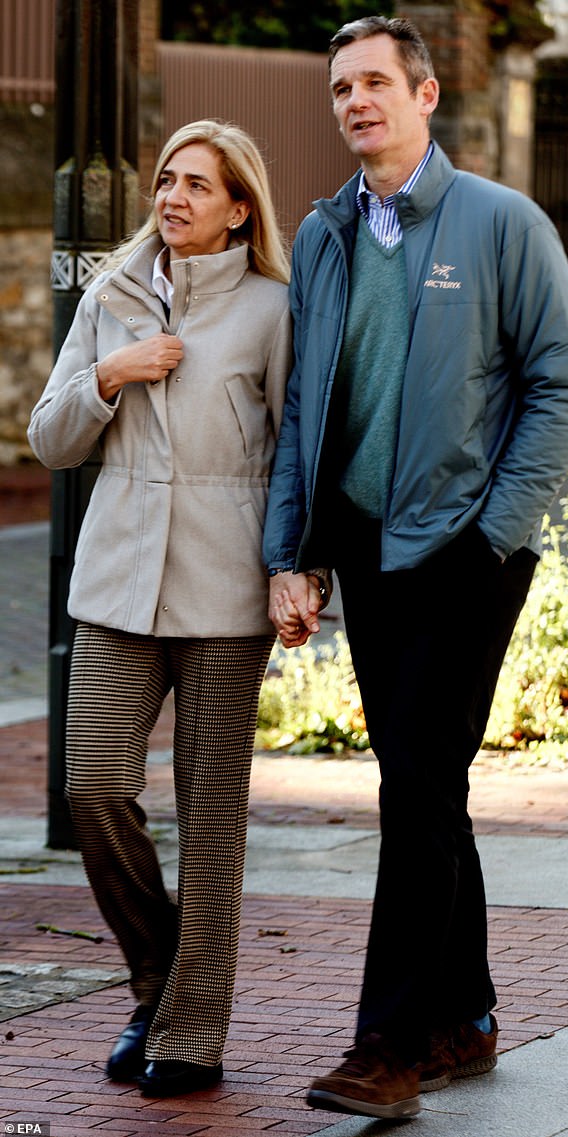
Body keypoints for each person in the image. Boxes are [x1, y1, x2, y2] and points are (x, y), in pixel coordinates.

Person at [262, 15, 568, 1122]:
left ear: (425, 94)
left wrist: (493, 529)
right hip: (365, 547)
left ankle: (388, 1047)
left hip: (464, 547)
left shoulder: (500, 222)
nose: (355, 101)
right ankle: (465, 1018)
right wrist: (297, 553)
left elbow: (564, 385)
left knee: (412, 786)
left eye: (374, 83)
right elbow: (308, 406)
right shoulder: (325, 236)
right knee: (425, 786)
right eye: (339, 87)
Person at [28, 119, 292, 1099]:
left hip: (227, 594)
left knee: (210, 823)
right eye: (167, 180)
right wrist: (109, 375)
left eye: (196, 185)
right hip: (115, 585)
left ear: (237, 209)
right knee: (91, 788)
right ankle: (158, 978)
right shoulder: (112, 294)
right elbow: (49, 438)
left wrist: (299, 570)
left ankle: (188, 1035)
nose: (171, 196)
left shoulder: (274, 309)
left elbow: (299, 455)